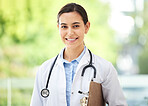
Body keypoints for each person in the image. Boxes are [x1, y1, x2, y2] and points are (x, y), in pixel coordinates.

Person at [30, 3, 128, 106]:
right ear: (58, 28)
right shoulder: (44, 70)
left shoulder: (104, 68)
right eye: (64, 27)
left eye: (75, 26)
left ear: (86, 27)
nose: (70, 33)